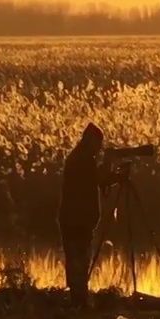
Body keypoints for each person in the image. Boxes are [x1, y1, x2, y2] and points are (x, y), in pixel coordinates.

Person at [58, 123, 121, 307]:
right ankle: (79, 300)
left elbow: (96, 179)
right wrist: (109, 162)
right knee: (80, 257)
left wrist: (112, 174)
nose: (100, 148)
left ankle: (78, 298)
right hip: (77, 219)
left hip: (73, 218)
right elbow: (98, 178)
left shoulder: (79, 157)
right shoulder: (83, 160)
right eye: (98, 143)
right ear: (91, 141)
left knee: (77, 258)